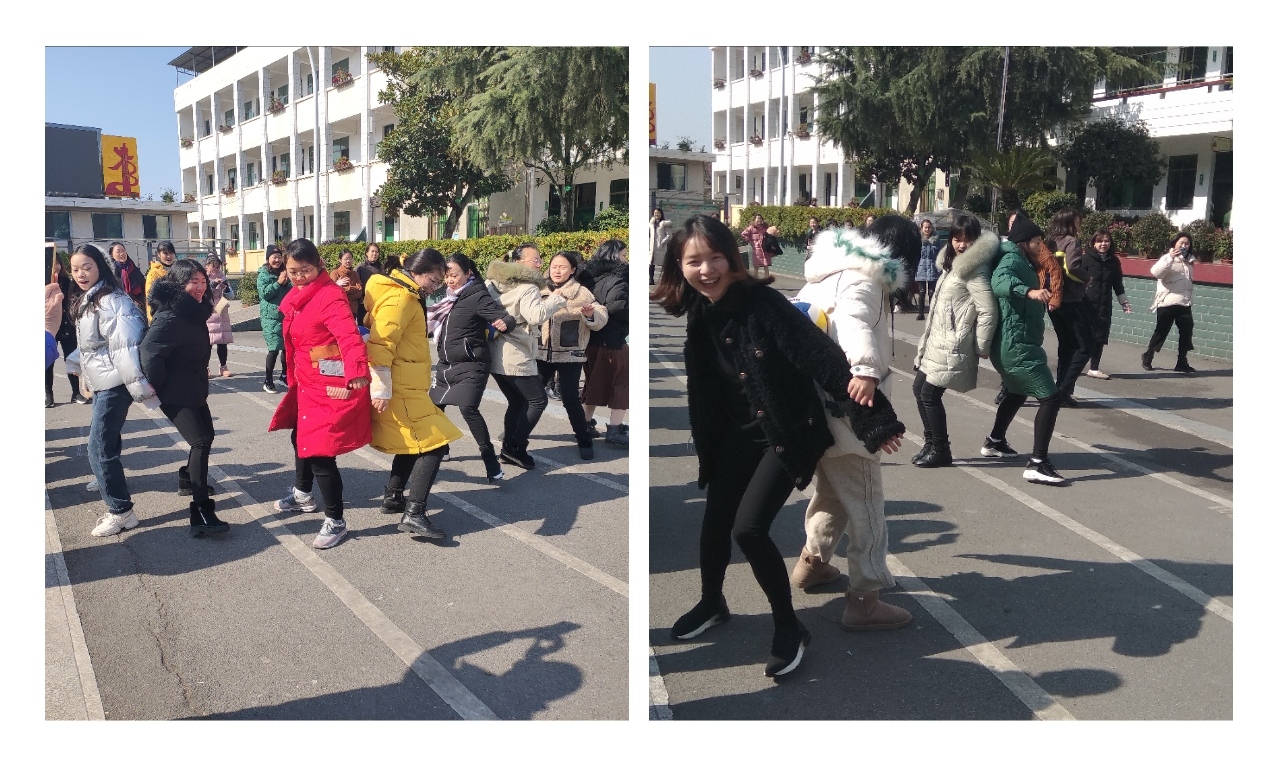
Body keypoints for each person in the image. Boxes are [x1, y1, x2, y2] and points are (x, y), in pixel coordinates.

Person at [652, 215, 905, 677]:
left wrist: (874, 418)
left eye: (715, 257)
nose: (706, 269)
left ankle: (789, 627)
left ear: (732, 257)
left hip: (784, 434)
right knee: (714, 521)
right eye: (694, 261)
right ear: (679, 266)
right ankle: (712, 602)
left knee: (749, 530)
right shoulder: (701, 310)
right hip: (735, 437)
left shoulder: (761, 302)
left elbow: (820, 356)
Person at [789, 219, 914, 632]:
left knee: (833, 492)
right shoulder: (865, 280)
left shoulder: (823, 275)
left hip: (815, 408)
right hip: (847, 413)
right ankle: (865, 598)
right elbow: (854, 320)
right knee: (867, 508)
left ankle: (812, 563)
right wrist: (865, 369)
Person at [267, 238, 372, 549]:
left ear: (319, 266)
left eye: (306, 270)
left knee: (320, 453)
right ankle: (302, 493)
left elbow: (349, 336)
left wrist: (356, 371)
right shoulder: (299, 295)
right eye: (293, 271)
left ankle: (336, 521)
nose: (300, 277)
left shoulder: (329, 296)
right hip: (306, 382)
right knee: (300, 437)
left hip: (328, 385)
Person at [364, 249, 465, 539]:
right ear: (418, 273)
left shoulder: (406, 294)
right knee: (435, 444)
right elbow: (380, 345)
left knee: (413, 442)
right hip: (401, 387)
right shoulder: (400, 298)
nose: (435, 287)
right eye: (433, 280)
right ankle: (414, 512)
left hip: (406, 385)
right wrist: (381, 388)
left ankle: (394, 495)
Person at [66, 244, 156, 537]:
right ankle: (106, 479)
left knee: (99, 448)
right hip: (103, 380)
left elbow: (125, 348)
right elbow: (92, 346)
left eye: (87, 267)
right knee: (105, 441)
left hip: (115, 383)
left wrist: (140, 388)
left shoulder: (110, 300)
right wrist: (79, 369)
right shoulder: (91, 297)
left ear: (100, 267)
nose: (81, 274)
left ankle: (121, 511)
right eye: (75, 269)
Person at [140, 260, 230, 537]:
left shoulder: (194, 311)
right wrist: (159, 386)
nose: (200, 287)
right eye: (193, 282)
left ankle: (187, 478)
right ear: (179, 284)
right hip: (175, 392)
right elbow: (149, 351)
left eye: (203, 281)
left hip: (194, 387)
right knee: (200, 441)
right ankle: (201, 511)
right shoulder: (171, 315)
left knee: (207, 436)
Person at [910, 214, 1000, 468]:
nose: (961, 244)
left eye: (967, 239)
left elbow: (988, 310)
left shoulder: (974, 270)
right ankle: (931, 443)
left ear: (976, 241)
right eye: (956, 239)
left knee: (929, 394)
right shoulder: (951, 265)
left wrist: (982, 345)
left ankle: (941, 448)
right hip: (937, 341)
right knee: (919, 389)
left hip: (953, 342)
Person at [983, 216, 1068, 485]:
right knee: (1051, 398)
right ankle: (1038, 463)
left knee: (1017, 392)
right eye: (1037, 241)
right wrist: (1029, 292)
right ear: (1024, 242)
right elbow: (1000, 282)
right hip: (1016, 344)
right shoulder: (1012, 259)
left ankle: (995, 441)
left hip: (1016, 342)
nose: (1040, 245)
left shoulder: (1021, 259)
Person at [430, 253, 514, 482]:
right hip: (446, 364)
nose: (450, 280)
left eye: (454, 275)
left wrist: (505, 322)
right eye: (447, 276)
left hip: (472, 364)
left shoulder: (477, 295)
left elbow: (503, 316)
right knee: (434, 407)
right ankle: (442, 448)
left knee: (468, 408)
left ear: (468, 273)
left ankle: (490, 461)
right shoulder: (448, 297)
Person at [485, 243, 566, 470]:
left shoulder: (492, 283)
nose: (540, 264)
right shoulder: (528, 287)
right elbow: (535, 316)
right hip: (517, 353)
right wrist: (555, 299)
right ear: (519, 263)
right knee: (538, 400)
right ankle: (514, 447)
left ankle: (509, 449)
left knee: (517, 401)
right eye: (535, 260)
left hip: (494, 353)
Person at [538, 251, 609, 460]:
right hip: (541, 352)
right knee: (532, 397)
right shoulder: (540, 289)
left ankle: (584, 439)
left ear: (573, 270)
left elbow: (601, 315)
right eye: (554, 266)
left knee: (570, 398)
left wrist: (590, 315)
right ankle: (516, 434)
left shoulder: (581, 293)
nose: (557, 270)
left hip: (570, 354)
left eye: (562, 267)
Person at [578, 239, 630, 447]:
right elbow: (617, 306)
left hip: (590, 339)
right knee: (622, 383)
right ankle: (615, 429)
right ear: (615, 256)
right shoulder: (618, 278)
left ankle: (585, 424)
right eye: (624, 255)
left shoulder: (587, 277)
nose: (626, 259)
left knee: (593, 382)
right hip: (613, 339)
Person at [1045, 209, 1095, 406]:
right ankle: (1063, 389)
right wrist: (1087, 278)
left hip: (1053, 299)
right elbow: (1072, 267)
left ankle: (1061, 390)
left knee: (1066, 346)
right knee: (1085, 346)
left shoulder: (1050, 242)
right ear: (1070, 223)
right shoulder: (1071, 242)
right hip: (1071, 299)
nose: (1079, 225)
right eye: (1077, 221)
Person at [1143, 232, 1198, 373]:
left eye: (1187, 243)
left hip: (1184, 302)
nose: (1184, 246)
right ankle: (1148, 355)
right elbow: (1156, 272)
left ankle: (1181, 361)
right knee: (1161, 331)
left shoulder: (1189, 261)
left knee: (1186, 330)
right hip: (1167, 301)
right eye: (1181, 243)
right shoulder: (1167, 258)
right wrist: (1170, 258)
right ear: (1175, 244)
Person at [1083, 230, 1131, 378]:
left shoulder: (1114, 261)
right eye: (1100, 241)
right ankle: (1073, 366)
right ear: (1093, 243)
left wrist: (1124, 302)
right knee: (1083, 337)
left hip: (1104, 304)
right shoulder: (1085, 259)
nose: (1103, 244)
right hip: (1086, 304)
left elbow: (1117, 284)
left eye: (1106, 241)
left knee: (1100, 336)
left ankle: (1094, 368)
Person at [47, 256, 88, 407]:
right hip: (49, 326)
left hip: (67, 325)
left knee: (71, 358)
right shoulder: (44, 282)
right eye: (52, 263)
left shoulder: (68, 282)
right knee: (48, 359)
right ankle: (48, 394)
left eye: (57, 263)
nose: (56, 266)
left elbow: (75, 300)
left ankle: (76, 392)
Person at [257, 244, 291, 393]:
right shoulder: (263, 274)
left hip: (285, 317)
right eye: (274, 257)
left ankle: (284, 376)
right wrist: (278, 283)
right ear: (268, 258)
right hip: (270, 319)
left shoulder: (285, 272)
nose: (277, 260)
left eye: (279, 257)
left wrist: (286, 282)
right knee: (274, 349)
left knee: (286, 349)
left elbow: (292, 290)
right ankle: (268, 380)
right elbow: (264, 293)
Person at [204, 255, 234, 378]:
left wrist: (226, 288)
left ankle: (223, 366)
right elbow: (203, 293)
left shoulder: (223, 277)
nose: (216, 269)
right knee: (208, 342)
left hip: (221, 311)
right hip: (208, 311)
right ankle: (205, 368)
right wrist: (212, 285)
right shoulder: (203, 278)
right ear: (207, 266)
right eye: (213, 266)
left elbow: (231, 295)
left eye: (217, 267)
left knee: (222, 340)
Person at [107, 241, 146, 316]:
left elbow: (143, 285)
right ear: (111, 255)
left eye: (123, 250)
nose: (122, 253)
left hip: (139, 306)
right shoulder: (111, 273)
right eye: (118, 252)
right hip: (120, 310)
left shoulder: (133, 268)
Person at [145, 241, 177, 323]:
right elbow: (150, 297)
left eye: (171, 253)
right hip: (161, 316)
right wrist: (152, 318)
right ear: (159, 254)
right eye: (165, 253)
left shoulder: (177, 270)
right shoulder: (154, 273)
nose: (169, 256)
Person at [914, 218, 940, 321]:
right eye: (925, 227)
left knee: (931, 292)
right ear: (922, 228)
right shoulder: (918, 239)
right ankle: (921, 313)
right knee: (921, 292)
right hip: (921, 268)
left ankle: (931, 313)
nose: (927, 229)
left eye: (929, 227)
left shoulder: (936, 239)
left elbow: (939, 253)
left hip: (933, 268)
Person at [356, 242, 385, 325]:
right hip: (363, 304)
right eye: (372, 251)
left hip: (378, 304)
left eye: (376, 252)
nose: (374, 254)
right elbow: (356, 285)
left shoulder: (382, 268)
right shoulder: (360, 268)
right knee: (363, 328)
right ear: (367, 253)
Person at [740, 214, 777, 279]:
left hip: (765, 249)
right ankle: (755, 281)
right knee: (756, 267)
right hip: (757, 250)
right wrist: (749, 241)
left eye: (760, 218)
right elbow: (743, 234)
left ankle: (766, 280)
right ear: (754, 220)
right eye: (757, 218)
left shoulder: (765, 227)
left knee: (766, 266)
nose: (759, 220)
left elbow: (771, 234)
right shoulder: (751, 228)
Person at [331, 247, 364, 312]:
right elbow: (333, 292)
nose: (348, 261)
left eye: (350, 259)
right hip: (340, 310)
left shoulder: (355, 274)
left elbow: (359, 292)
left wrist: (344, 290)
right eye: (345, 259)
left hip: (353, 310)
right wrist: (354, 288)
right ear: (340, 260)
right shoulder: (335, 273)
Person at [650, 207, 671, 285]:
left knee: (663, 264)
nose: (656, 214)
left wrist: (662, 243)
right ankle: (651, 279)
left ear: (661, 214)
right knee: (651, 264)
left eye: (658, 213)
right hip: (652, 247)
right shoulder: (651, 224)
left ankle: (664, 280)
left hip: (660, 247)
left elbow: (669, 235)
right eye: (655, 213)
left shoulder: (664, 224)